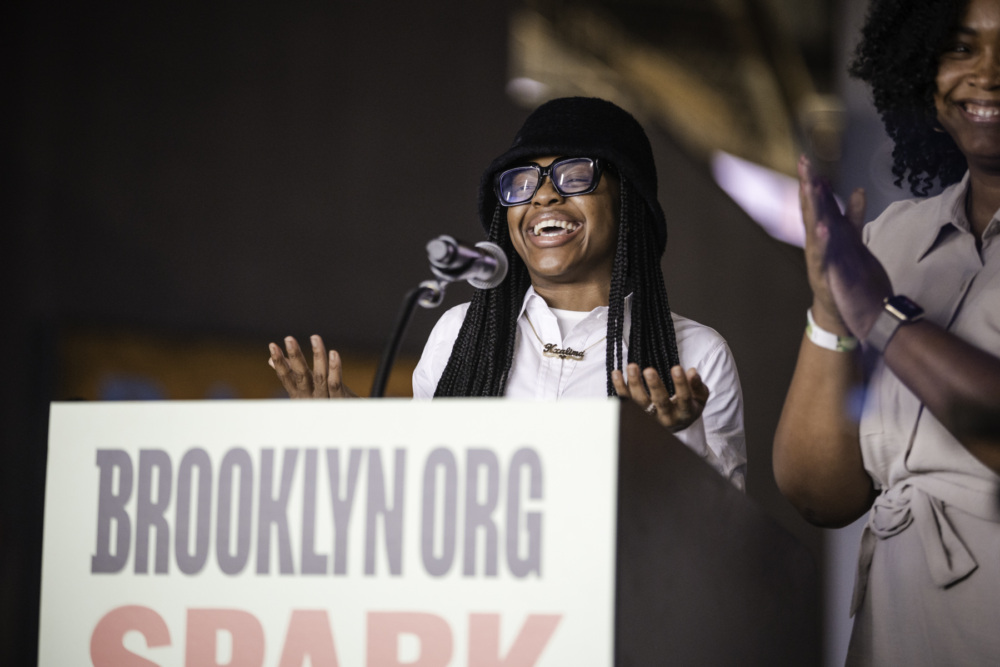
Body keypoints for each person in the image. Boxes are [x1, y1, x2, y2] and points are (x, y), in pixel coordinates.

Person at [270, 97, 746, 490]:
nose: (542, 196)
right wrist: (347, 434)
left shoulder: (698, 354)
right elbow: (420, 495)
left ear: (629, 202)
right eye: (522, 182)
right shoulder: (459, 333)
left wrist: (680, 438)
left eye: (574, 174)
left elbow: (724, 545)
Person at [772, 0, 1000, 664]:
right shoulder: (891, 241)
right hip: (895, 630)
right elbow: (822, 493)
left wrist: (880, 314)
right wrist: (831, 309)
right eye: (960, 48)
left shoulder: (878, 285)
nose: (987, 74)